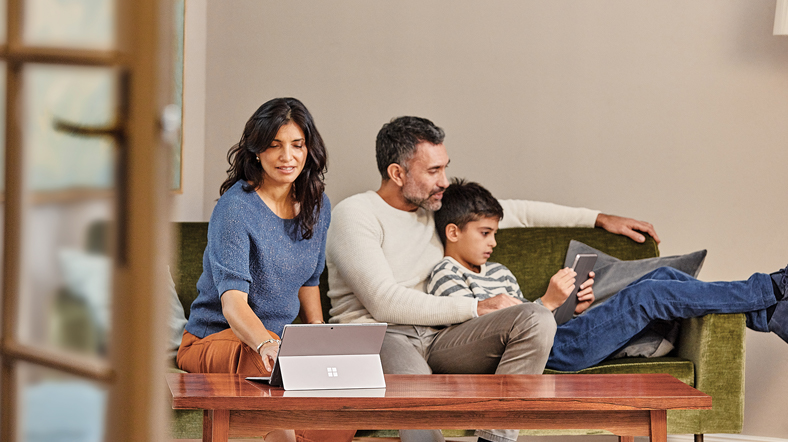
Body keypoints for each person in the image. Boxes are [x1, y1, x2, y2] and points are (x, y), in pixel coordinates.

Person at [325, 116, 660, 442]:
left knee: (536, 318)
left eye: (445, 166)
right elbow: (384, 303)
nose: (444, 180)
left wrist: (599, 218)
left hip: (442, 338)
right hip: (382, 336)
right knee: (417, 387)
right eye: (433, 171)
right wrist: (477, 307)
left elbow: (520, 211)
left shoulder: (435, 208)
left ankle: (496, 440)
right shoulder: (355, 214)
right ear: (397, 173)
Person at [428, 179, 788, 374]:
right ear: (454, 232)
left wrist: (568, 307)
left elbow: (531, 319)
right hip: (552, 353)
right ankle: (773, 287)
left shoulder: (499, 271)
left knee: (662, 275)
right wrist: (546, 303)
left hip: (559, 335)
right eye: (485, 233)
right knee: (649, 297)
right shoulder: (445, 273)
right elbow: (470, 336)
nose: (493, 242)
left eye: (495, 233)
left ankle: (770, 314)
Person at [176, 98, 355, 442]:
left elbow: (309, 280)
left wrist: (318, 337)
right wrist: (265, 345)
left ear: (309, 149)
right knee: (266, 369)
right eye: (275, 146)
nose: (287, 157)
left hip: (278, 345)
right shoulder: (235, 209)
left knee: (342, 405)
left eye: (297, 145)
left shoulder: (318, 205)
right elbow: (233, 304)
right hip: (213, 341)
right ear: (257, 150)